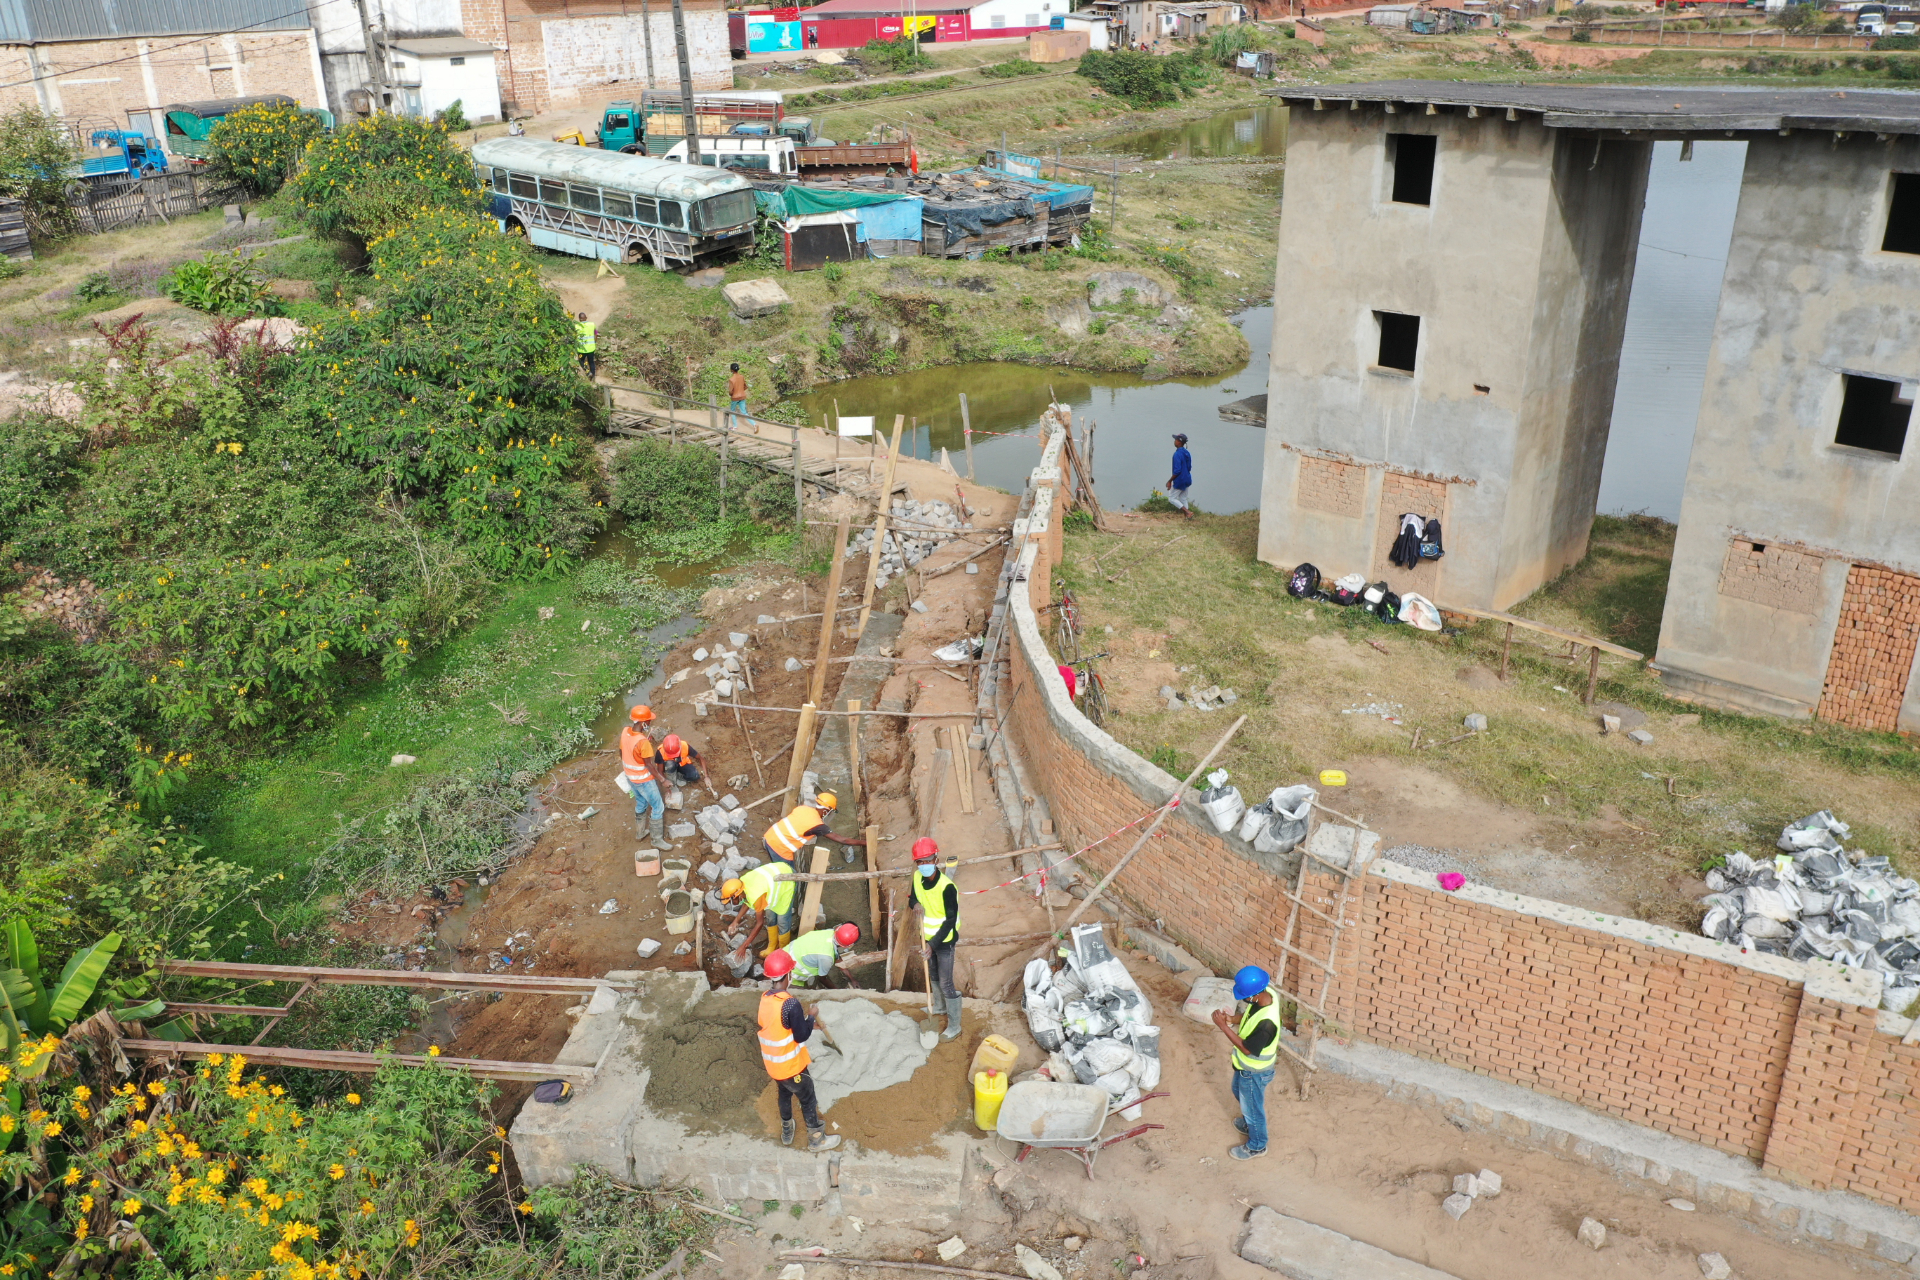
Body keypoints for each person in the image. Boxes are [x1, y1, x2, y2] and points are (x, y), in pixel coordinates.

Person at [756, 949, 841, 1152]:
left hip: (774, 1065)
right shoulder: (790, 1003)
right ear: (787, 975)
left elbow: (781, 1026)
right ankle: (816, 1139)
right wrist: (811, 1016)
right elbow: (800, 1036)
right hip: (791, 1067)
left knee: (784, 1095)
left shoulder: (766, 998)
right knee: (808, 1098)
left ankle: (787, 1128)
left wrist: (807, 1023)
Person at [1210, 964, 1279, 1160]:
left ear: (1254, 995)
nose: (1243, 999)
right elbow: (1250, 1015)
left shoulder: (1267, 1024)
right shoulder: (1267, 995)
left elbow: (1247, 1048)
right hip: (1245, 1069)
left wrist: (1223, 1026)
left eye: (1245, 996)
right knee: (1237, 1090)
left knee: (1252, 1109)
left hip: (1254, 1071)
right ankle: (1251, 1123)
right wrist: (1232, 1019)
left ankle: (1257, 1145)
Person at [911, 837, 964, 1040]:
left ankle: (955, 1025)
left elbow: (950, 920)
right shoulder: (917, 877)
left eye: (927, 860)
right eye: (920, 862)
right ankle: (939, 1007)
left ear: (936, 858)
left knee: (945, 982)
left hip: (944, 941)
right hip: (928, 938)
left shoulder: (947, 887)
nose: (924, 865)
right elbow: (914, 897)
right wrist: (915, 905)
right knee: (932, 974)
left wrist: (932, 946)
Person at [763, 792, 864, 867]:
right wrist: (866, 843)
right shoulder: (817, 825)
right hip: (780, 849)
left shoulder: (803, 808)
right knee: (789, 878)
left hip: (769, 836)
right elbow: (844, 840)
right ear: (825, 810)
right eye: (830, 811)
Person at [723, 860, 798, 957]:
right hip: (774, 884)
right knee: (771, 917)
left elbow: (759, 923)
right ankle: (772, 946)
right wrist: (736, 921)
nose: (731, 903)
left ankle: (783, 953)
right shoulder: (741, 884)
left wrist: (744, 946)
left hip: (786, 881)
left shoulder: (756, 896)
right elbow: (747, 901)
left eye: (730, 900)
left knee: (782, 921)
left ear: (737, 895)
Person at [619, 705, 667, 846]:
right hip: (644, 780)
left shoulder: (625, 732)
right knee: (658, 807)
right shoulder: (643, 742)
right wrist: (662, 780)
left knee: (641, 803)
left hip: (630, 777)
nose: (650, 723)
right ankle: (657, 840)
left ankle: (640, 833)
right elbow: (649, 765)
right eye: (649, 721)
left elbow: (621, 753)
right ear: (643, 723)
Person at [785, 922, 860, 989]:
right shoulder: (827, 957)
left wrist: (852, 979)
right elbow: (822, 979)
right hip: (790, 974)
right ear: (847, 946)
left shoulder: (829, 933)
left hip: (784, 954)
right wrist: (837, 992)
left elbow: (837, 958)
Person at [1167, 432, 1193, 520]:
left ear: (1179, 442)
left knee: (1171, 499)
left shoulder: (1177, 454)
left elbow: (1177, 471)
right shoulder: (1187, 453)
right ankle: (1188, 518)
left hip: (1180, 480)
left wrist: (1170, 481)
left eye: (1176, 440)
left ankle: (1187, 512)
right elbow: (1189, 467)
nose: (1174, 441)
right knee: (1183, 498)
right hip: (1187, 479)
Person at [726, 362, 749, 433]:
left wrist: (731, 394)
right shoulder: (742, 377)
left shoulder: (731, 379)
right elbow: (745, 386)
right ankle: (754, 424)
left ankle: (735, 426)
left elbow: (731, 391)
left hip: (735, 397)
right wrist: (741, 390)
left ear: (731, 370)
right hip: (742, 396)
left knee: (733, 411)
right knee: (744, 412)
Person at [574, 311, 598, 379]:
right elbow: (596, 334)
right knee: (591, 362)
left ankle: (587, 372)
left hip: (581, 349)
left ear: (579, 319)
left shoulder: (576, 326)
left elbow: (574, 336)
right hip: (591, 348)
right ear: (586, 318)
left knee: (581, 361)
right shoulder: (592, 324)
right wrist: (595, 342)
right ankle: (593, 377)